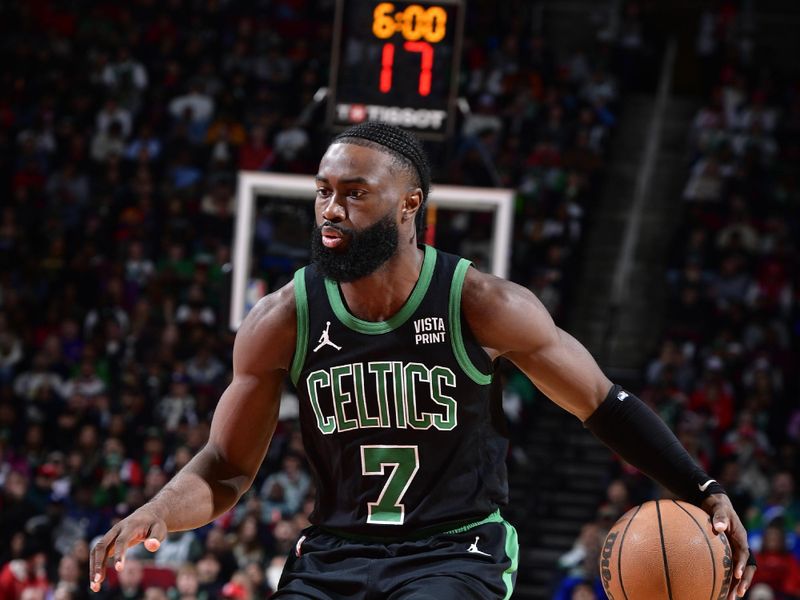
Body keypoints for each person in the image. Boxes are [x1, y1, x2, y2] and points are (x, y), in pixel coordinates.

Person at [89, 122, 756, 599]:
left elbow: (601, 405)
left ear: (409, 206)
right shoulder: (280, 321)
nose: (331, 209)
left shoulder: (483, 304)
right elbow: (228, 466)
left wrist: (702, 487)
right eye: (324, 190)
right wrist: (159, 508)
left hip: (455, 553)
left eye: (355, 193)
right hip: (333, 557)